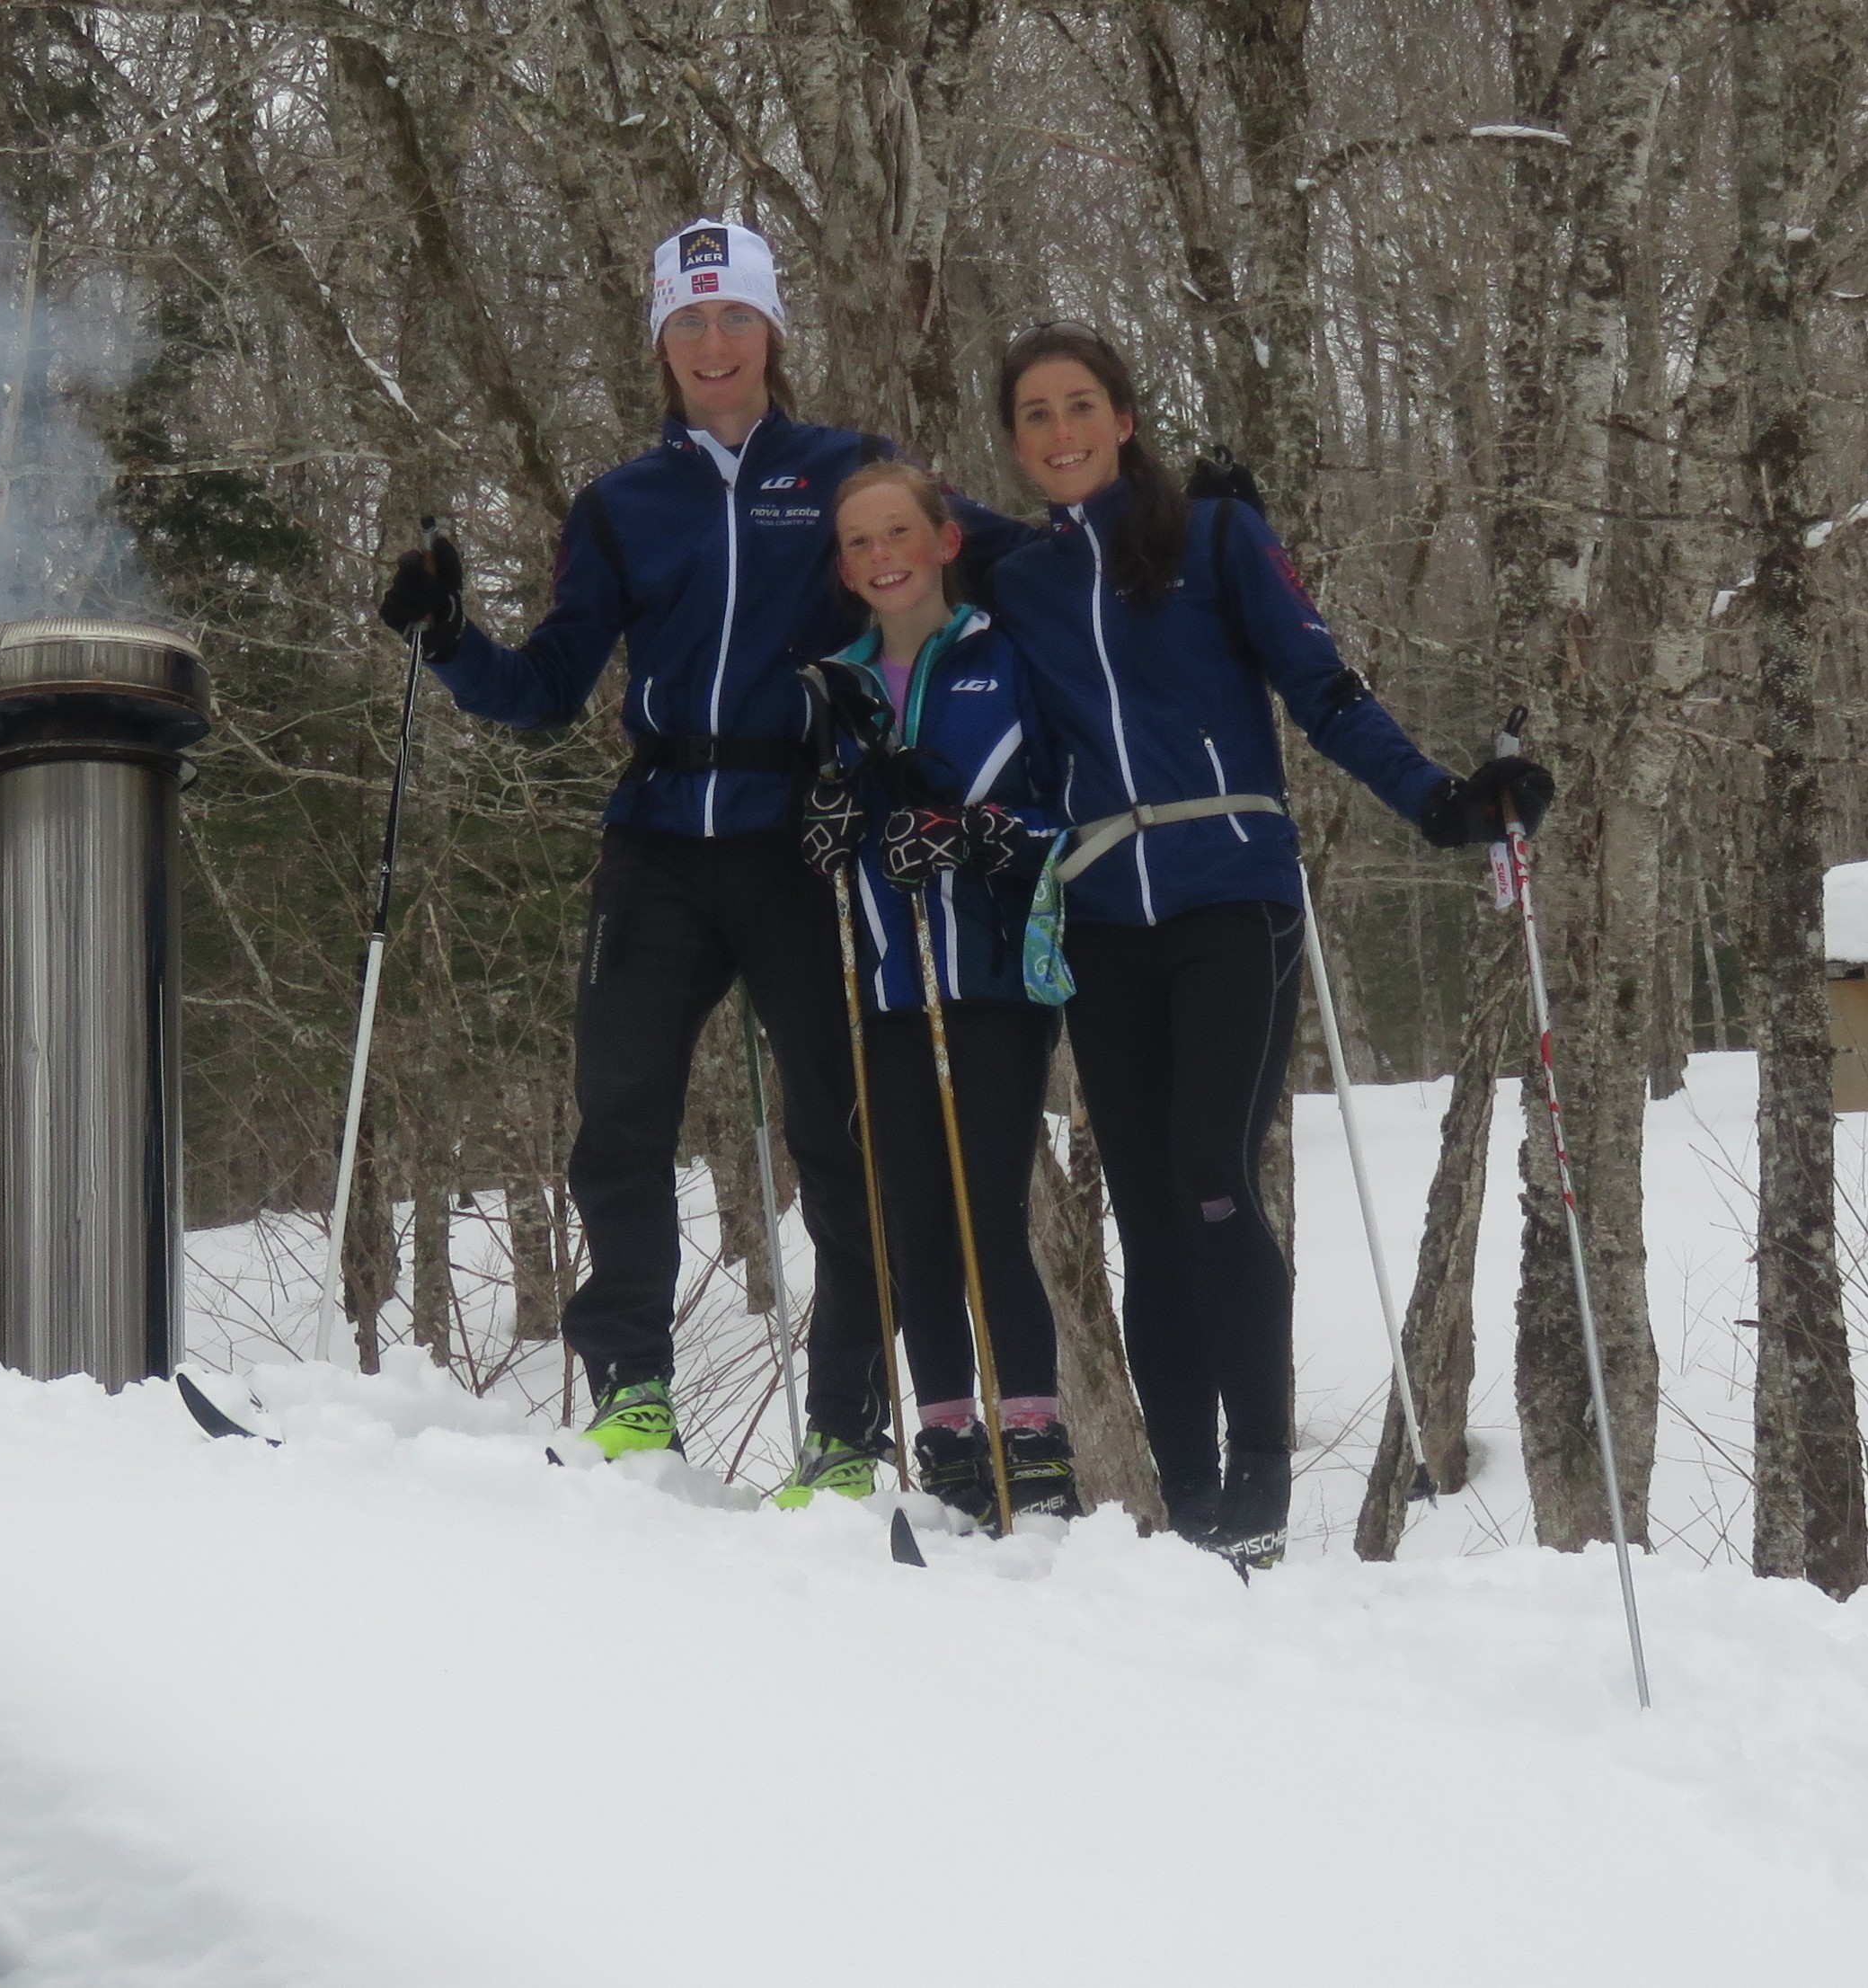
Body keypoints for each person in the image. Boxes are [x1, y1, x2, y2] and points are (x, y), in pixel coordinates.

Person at [376, 219, 1020, 1474]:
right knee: (619, 1116)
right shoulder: (622, 504)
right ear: (661, 344)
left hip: (804, 838)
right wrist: (451, 637)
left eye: (734, 319)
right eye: (688, 323)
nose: (713, 345)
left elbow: (997, 563)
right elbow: (549, 684)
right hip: (660, 838)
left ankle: (841, 1427)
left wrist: (1146, 538)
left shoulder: (849, 470)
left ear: (772, 332)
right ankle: (630, 1396)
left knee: (840, 1139)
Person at [983, 324, 1552, 1566]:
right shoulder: (1011, 574)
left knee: (1209, 1178)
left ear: (1126, 417)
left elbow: (1323, 689)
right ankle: (1188, 1503)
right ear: (1015, 444)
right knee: (1140, 1207)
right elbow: (874, 540)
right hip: (1100, 918)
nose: (1061, 431)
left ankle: (1257, 1483)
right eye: (1034, 415)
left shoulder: (1216, 539)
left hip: (1229, 896)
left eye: (1082, 405)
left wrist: (1442, 801)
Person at [785, 459, 1076, 1523]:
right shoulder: (835, 681)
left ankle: (1032, 1438)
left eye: (897, 532)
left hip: (993, 979)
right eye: (858, 543)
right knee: (914, 1221)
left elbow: (1066, 806)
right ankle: (948, 1432)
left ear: (944, 540)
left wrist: (979, 836)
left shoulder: (1004, 657)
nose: (880, 558)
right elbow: (820, 818)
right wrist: (824, 826)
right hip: (890, 986)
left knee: (985, 1208)